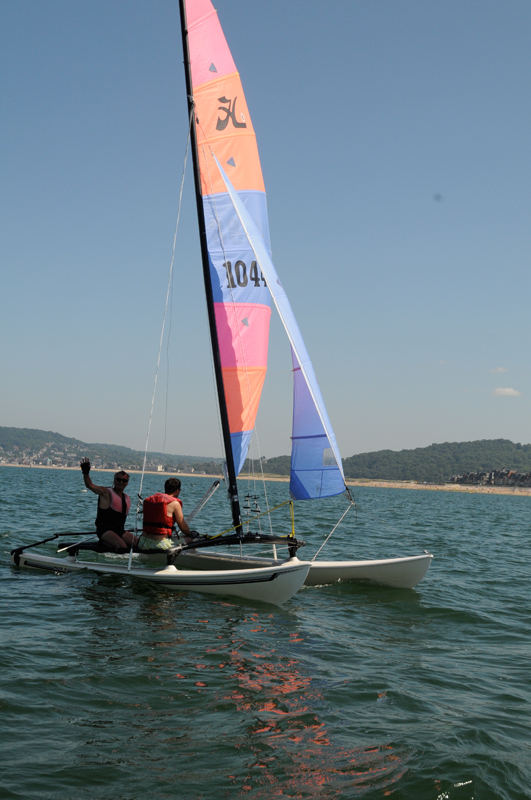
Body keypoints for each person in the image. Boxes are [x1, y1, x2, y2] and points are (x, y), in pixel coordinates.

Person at [80, 458, 138, 552]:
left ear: (127, 483)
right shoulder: (106, 493)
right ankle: (103, 543)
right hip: (105, 530)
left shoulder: (126, 498)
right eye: (118, 479)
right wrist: (86, 473)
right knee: (122, 547)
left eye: (124, 481)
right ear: (114, 480)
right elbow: (90, 485)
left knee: (138, 544)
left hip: (119, 530)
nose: (121, 482)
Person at [138, 477, 193, 552]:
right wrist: (190, 534)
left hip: (143, 542)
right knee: (190, 539)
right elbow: (183, 527)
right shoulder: (175, 503)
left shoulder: (149, 500)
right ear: (177, 491)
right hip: (160, 544)